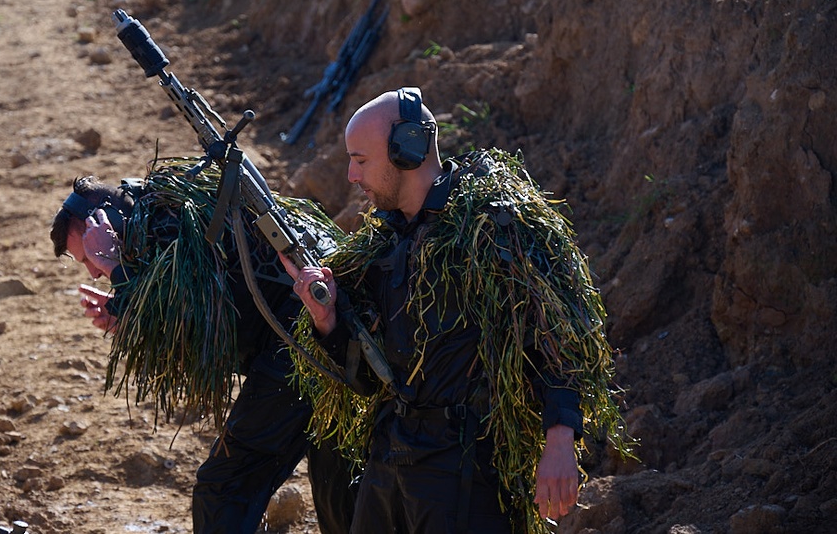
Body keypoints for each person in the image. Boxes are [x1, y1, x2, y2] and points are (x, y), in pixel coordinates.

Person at [282, 88, 630, 533]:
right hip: (390, 458)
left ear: (407, 149)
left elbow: (559, 337)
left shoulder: (493, 228)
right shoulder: (384, 244)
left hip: (465, 468)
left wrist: (560, 440)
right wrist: (327, 322)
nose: (351, 175)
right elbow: (370, 377)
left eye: (361, 160)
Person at [50, 160, 356, 534]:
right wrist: (129, 317)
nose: (93, 272)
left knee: (224, 489)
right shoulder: (158, 219)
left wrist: (114, 265)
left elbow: (191, 313)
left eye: (88, 258)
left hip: (301, 343)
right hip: (322, 337)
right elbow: (201, 325)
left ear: (105, 224)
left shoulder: (169, 221)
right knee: (339, 486)